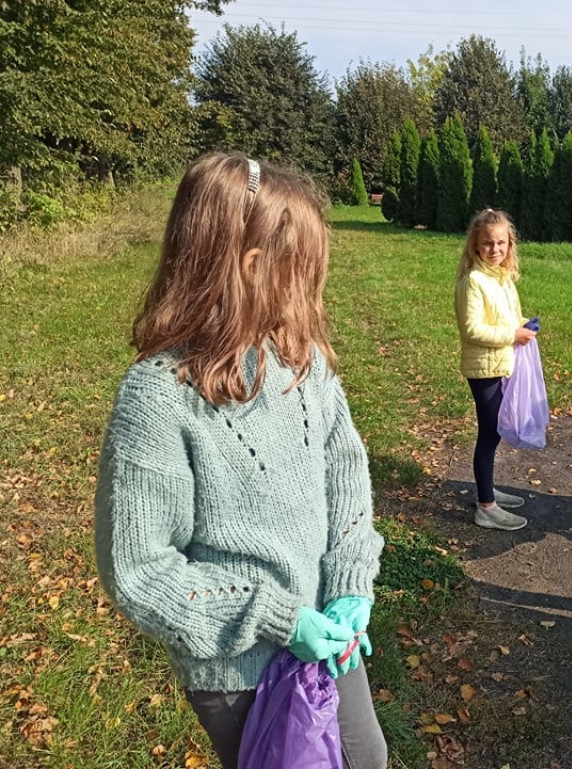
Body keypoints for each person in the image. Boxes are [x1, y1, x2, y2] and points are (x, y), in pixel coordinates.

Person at [93, 153, 387, 769]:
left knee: (367, 758)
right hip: (239, 667)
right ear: (253, 268)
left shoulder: (300, 360)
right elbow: (140, 570)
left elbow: (346, 473)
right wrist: (278, 618)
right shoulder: (157, 397)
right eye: (303, 271)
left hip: (330, 641)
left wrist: (352, 584)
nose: (315, 289)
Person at [454, 208, 538, 531]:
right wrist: (511, 335)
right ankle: (486, 507)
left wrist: (521, 325)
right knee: (489, 433)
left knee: (495, 431)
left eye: (501, 243)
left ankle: (487, 488)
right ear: (476, 245)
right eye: (488, 244)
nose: (495, 250)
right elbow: (471, 330)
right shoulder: (473, 281)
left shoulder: (501, 278)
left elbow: (503, 319)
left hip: (501, 364)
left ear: (510, 245)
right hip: (483, 369)